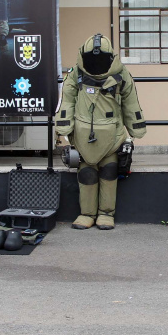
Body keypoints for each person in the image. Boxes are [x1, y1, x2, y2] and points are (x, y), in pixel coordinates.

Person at [56, 34, 146, 230]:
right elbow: (68, 101)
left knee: (109, 173)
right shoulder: (76, 74)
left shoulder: (121, 75)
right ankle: (86, 213)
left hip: (112, 137)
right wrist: (64, 128)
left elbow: (131, 104)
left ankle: (106, 213)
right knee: (87, 174)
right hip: (83, 136)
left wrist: (135, 129)